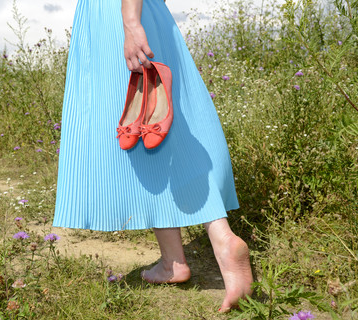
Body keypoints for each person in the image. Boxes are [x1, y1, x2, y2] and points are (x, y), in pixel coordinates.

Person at [52, 0, 253, 312]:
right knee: (158, 125)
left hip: (119, 15)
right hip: (134, 13)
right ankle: (175, 259)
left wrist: (130, 22)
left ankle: (221, 240)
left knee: (143, 120)